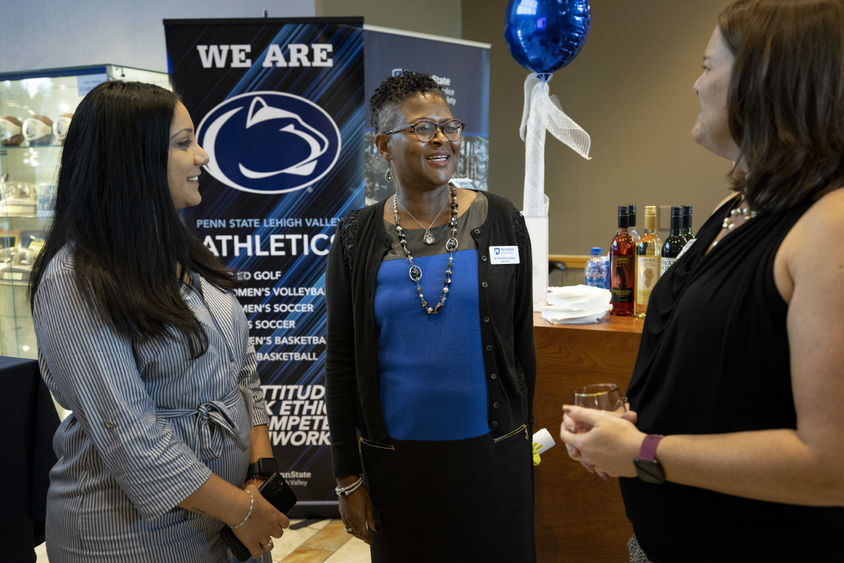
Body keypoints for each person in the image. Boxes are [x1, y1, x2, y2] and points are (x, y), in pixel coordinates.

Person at [560, 0, 844, 560]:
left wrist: (645, 448)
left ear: (765, 83)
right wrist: (626, 430)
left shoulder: (829, 228)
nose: (695, 85)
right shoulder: (737, 206)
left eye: (709, 66)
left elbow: (830, 462)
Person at [29, 81, 290, 562]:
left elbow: (241, 370)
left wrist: (259, 469)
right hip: (129, 537)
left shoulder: (181, 254)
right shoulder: (75, 280)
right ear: (134, 159)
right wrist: (242, 509)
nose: (203, 156)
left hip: (229, 520)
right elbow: (129, 434)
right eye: (183, 142)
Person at [325, 71, 536, 562]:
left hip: (493, 458)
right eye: (423, 128)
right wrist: (346, 476)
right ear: (384, 144)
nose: (442, 139)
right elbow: (339, 360)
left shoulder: (502, 220)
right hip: (398, 467)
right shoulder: (356, 237)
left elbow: (521, 346)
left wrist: (521, 440)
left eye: (450, 126)